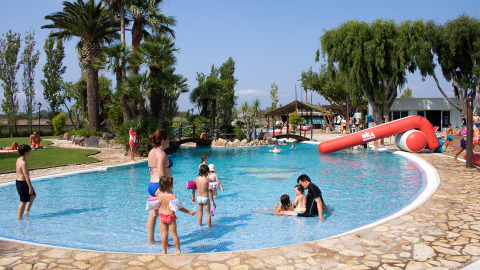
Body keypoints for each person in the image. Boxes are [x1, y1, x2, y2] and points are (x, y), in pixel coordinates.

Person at [156, 176, 195, 254]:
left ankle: (164, 251)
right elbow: (178, 208)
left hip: (162, 217)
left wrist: (155, 214)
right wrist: (188, 211)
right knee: (174, 234)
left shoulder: (159, 196)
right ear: (170, 186)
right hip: (170, 217)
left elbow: (156, 206)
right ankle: (178, 250)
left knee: (164, 235)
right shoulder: (172, 196)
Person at [146, 129, 172, 244]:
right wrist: (168, 190)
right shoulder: (161, 154)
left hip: (151, 185)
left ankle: (150, 240)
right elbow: (162, 175)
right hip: (160, 187)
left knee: (153, 214)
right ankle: (165, 242)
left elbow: (151, 169)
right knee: (165, 213)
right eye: (168, 138)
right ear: (163, 140)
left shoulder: (151, 152)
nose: (169, 140)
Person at [16, 144, 36, 220]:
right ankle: (19, 219)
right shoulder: (24, 163)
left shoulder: (18, 159)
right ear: (26, 152)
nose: (30, 154)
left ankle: (26, 211)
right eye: (29, 152)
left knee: (33, 195)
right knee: (23, 202)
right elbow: (26, 176)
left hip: (19, 182)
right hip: (23, 183)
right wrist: (30, 187)